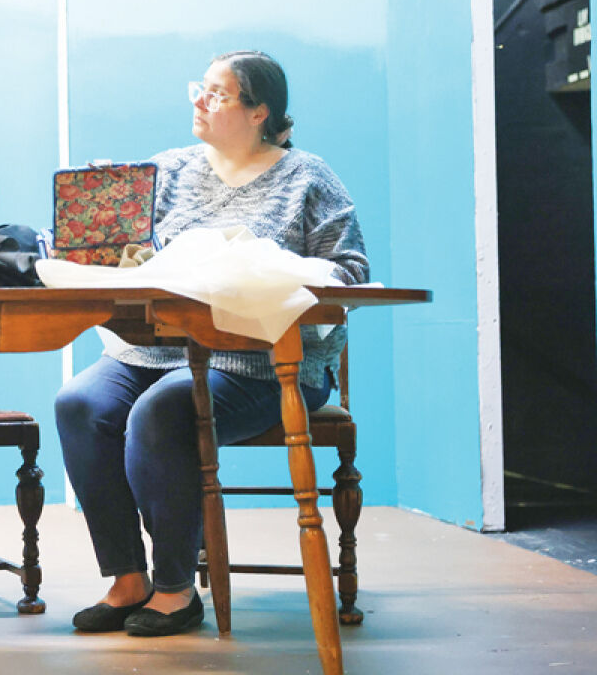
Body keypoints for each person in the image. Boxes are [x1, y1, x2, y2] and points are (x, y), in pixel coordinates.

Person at [54, 51, 369, 637]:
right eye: (199, 88)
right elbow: (116, 254)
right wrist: (99, 219)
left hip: (262, 363)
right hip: (150, 350)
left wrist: (264, 268)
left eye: (218, 94)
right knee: (80, 405)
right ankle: (127, 580)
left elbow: (349, 269)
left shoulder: (308, 178)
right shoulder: (167, 170)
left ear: (259, 113)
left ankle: (176, 590)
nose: (199, 100)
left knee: (165, 409)